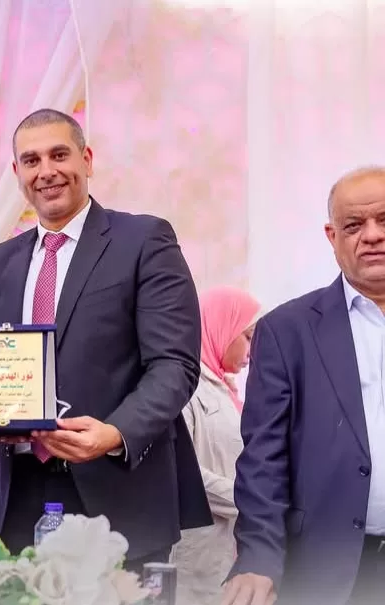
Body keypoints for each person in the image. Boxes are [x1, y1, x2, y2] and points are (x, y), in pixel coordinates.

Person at [0, 108, 211, 571]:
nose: (46, 171)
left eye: (59, 155)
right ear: (17, 172)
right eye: (32, 160)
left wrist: (116, 433)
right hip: (18, 496)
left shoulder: (143, 239)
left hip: (118, 492)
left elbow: (174, 364)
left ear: (86, 159)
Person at [224, 166, 385, 605]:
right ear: (332, 237)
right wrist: (258, 557)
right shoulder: (288, 331)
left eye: (383, 220)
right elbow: (264, 458)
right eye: (354, 225)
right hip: (327, 572)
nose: (372, 235)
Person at [173, 286, 260, 605]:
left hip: (233, 547)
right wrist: (250, 500)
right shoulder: (186, 389)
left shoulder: (226, 390)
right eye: (248, 337)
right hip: (198, 554)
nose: (253, 351)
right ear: (222, 327)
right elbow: (184, 472)